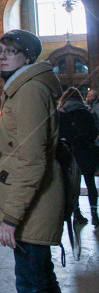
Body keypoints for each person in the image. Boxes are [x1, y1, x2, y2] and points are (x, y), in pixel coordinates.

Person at [0, 29, 71, 293]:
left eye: (11, 51)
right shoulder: (21, 88)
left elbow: (33, 160)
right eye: (1, 51)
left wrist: (11, 218)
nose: (3, 57)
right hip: (33, 202)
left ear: (29, 56)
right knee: (42, 284)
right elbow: (21, 151)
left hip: (34, 206)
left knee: (33, 289)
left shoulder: (31, 90)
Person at [58, 87, 99, 227]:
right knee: (90, 183)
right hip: (85, 151)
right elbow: (94, 132)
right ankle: (94, 213)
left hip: (68, 152)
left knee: (72, 184)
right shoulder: (85, 112)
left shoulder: (60, 113)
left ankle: (76, 213)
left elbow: (58, 134)